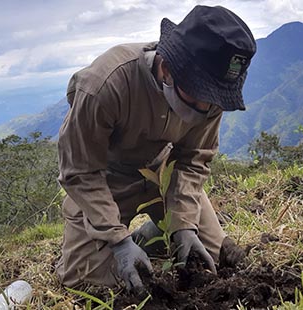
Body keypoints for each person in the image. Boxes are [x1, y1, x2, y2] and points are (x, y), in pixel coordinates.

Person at [55, 5, 256, 293]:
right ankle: (131, 241)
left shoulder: (212, 96)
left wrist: (184, 225)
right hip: (105, 179)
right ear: (166, 69)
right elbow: (80, 171)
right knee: (87, 282)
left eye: (212, 100)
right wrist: (117, 241)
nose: (205, 109)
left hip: (165, 171)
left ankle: (155, 236)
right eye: (199, 96)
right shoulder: (104, 84)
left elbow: (194, 159)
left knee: (207, 259)